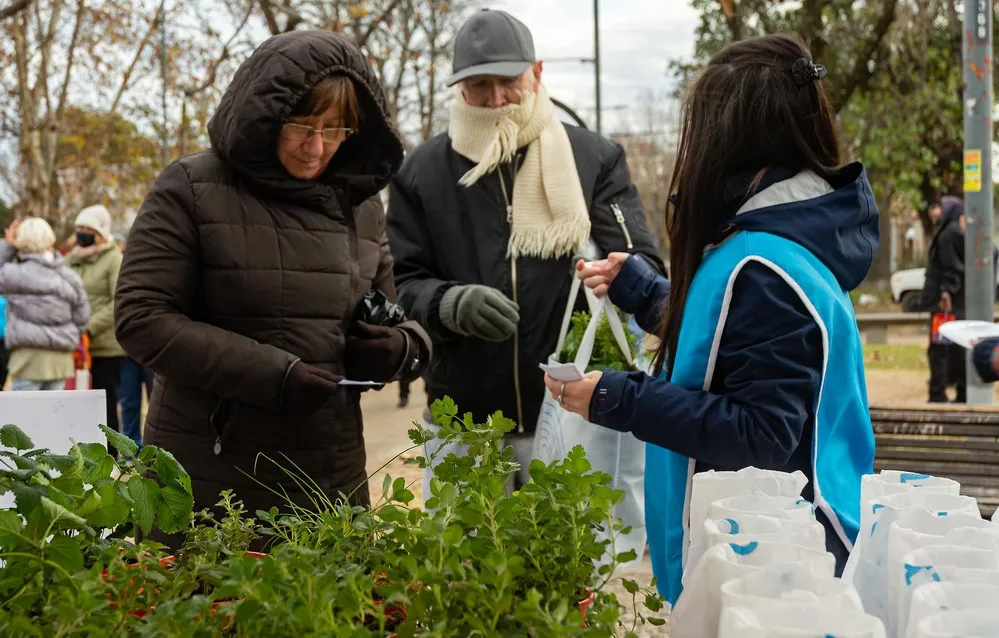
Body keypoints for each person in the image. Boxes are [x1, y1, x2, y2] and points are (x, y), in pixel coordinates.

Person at [546, 34, 877, 603]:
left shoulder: (765, 265)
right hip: (775, 551)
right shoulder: (780, 236)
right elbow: (733, 341)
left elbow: (761, 435)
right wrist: (644, 292)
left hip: (771, 571)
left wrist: (621, 399)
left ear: (729, 137)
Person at [114, 30, 431, 549]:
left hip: (330, 475)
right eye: (302, 126)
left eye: (335, 130)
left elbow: (386, 310)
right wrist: (273, 376)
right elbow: (141, 318)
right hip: (212, 474)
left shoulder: (361, 205)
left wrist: (403, 348)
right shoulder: (191, 187)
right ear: (264, 116)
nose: (316, 147)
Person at [387, 9, 663, 486]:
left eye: (509, 81)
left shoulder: (594, 158)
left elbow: (645, 264)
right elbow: (400, 283)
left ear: (536, 72)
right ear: (459, 88)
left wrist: (619, 273)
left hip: (572, 416)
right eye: (479, 85)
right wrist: (448, 303)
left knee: (578, 538)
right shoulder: (422, 171)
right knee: (464, 539)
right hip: (464, 422)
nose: (496, 100)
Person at [0, 218, 90, 391]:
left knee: (25, 409)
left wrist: (8, 246)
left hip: (26, 359)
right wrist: (68, 335)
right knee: (55, 408)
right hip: (60, 360)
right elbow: (82, 315)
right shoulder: (69, 277)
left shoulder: (13, 274)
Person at [66, 205, 126, 436]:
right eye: (79, 228)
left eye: (87, 229)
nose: (81, 233)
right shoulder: (70, 259)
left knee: (104, 405)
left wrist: (88, 329)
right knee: (75, 404)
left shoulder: (113, 259)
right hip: (73, 347)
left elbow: (118, 301)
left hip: (104, 347)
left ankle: (110, 451)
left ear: (100, 232)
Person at [920, 196, 967, 402]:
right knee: (951, 347)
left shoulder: (948, 234)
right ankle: (957, 390)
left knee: (940, 348)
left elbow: (952, 267)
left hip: (944, 303)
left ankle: (938, 391)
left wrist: (946, 291)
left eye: (939, 207)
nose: (935, 211)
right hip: (948, 301)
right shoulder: (952, 232)